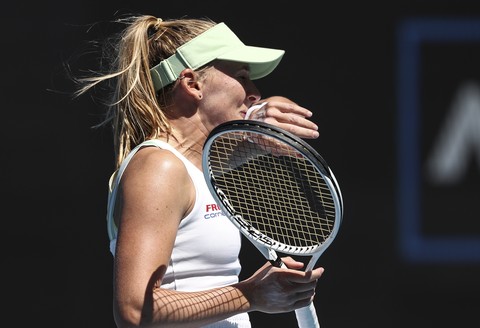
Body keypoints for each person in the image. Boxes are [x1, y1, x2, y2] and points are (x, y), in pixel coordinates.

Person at [73, 14, 324, 328]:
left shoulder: (201, 165)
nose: (254, 90)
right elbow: (134, 309)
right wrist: (251, 294)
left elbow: (240, 142)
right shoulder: (158, 168)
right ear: (192, 84)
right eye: (242, 76)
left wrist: (260, 120)